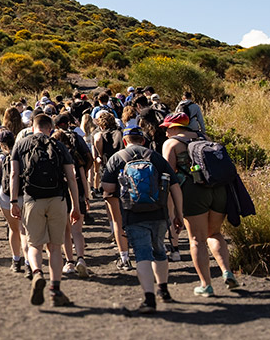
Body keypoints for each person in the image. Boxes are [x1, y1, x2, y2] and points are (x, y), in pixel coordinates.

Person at [101, 127, 184, 314]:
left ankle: (149, 298)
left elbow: (107, 187)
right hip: (158, 212)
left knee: (142, 254)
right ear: (143, 140)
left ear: (125, 141)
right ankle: (163, 290)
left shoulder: (117, 157)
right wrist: (179, 214)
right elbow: (175, 185)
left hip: (133, 214)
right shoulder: (154, 156)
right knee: (159, 250)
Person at [161, 112, 239, 296]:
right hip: (219, 190)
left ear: (174, 128)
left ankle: (206, 285)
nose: (165, 133)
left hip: (193, 192)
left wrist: (172, 211)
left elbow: (168, 178)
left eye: (166, 129)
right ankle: (227, 272)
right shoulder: (206, 138)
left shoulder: (171, 144)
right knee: (215, 233)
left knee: (197, 239)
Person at [10, 114, 81, 307]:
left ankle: (37, 273)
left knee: (34, 245)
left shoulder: (21, 144)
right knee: (55, 247)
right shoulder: (59, 145)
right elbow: (72, 178)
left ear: (33, 127)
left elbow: (15, 174)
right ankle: (55, 290)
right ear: (50, 127)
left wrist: (14, 200)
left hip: (32, 199)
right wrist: (75, 205)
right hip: (57, 199)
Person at [93, 111, 131, 270]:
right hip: (125, 171)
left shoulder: (99, 135)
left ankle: (119, 243)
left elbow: (98, 153)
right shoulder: (120, 133)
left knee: (113, 211)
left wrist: (99, 154)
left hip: (108, 171)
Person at [52, 124, 91, 279]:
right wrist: (86, 197)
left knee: (66, 232)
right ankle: (81, 258)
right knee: (77, 231)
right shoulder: (75, 155)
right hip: (78, 194)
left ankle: (69, 261)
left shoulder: (55, 155)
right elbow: (82, 177)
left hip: (63, 195)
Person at [0, 129, 25, 272]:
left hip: (5, 196)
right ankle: (29, 261)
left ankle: (16, 260)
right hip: (24, 195)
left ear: (0, 143)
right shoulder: (21, 155)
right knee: (25, 230)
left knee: (13, 229)